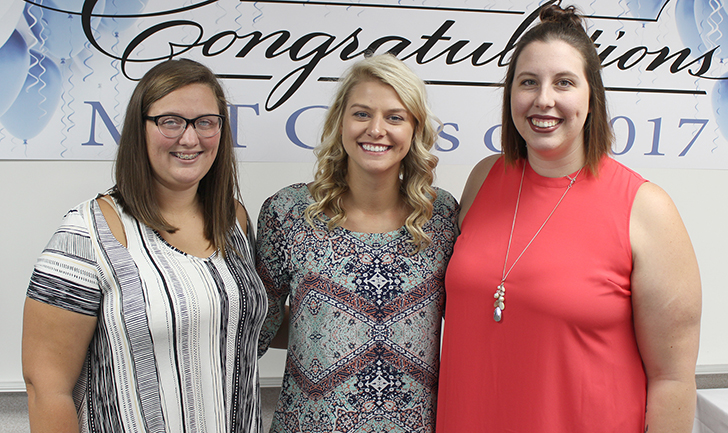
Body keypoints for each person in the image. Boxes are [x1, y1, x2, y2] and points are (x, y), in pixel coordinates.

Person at [436, 4, 701, 433]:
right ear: (510, 97)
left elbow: (672, 380)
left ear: (591, 96)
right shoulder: (484, 178)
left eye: (564, 83)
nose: (544, 99)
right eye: (528, 82)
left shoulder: (645, 208)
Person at [22, 59, 267, 433]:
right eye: (171, 121)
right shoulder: (86, 233)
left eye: (206, 122)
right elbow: (48, 389)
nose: (190, 138)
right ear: (141, 129)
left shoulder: (233, 220)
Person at [256, 54, 458, 433]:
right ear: (339, 122)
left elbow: (468, 325)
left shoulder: (441, 215)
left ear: (415, 129)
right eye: (362, 114)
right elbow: (255, 327)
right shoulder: (287, 213)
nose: (376, 129)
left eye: (395, 117)